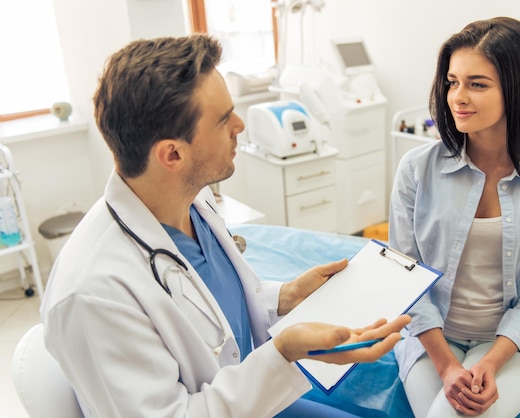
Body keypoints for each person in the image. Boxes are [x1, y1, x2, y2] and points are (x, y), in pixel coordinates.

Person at [40, 34, 410, 417]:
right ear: (172, 154)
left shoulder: (193, 200)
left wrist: (285, 297)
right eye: (223, 120)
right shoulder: (92, 294)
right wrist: (283, 353)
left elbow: (208, 311)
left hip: (243, 394)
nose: (240, 124)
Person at [389, 17, 520, 418]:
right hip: (430, 339)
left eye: (477, 84)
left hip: (511, 344)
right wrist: (446, 366)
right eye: (452, 81)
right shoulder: (416, 169)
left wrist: (490, 362)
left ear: (516, 90)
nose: (458, 96)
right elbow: (405, 280)